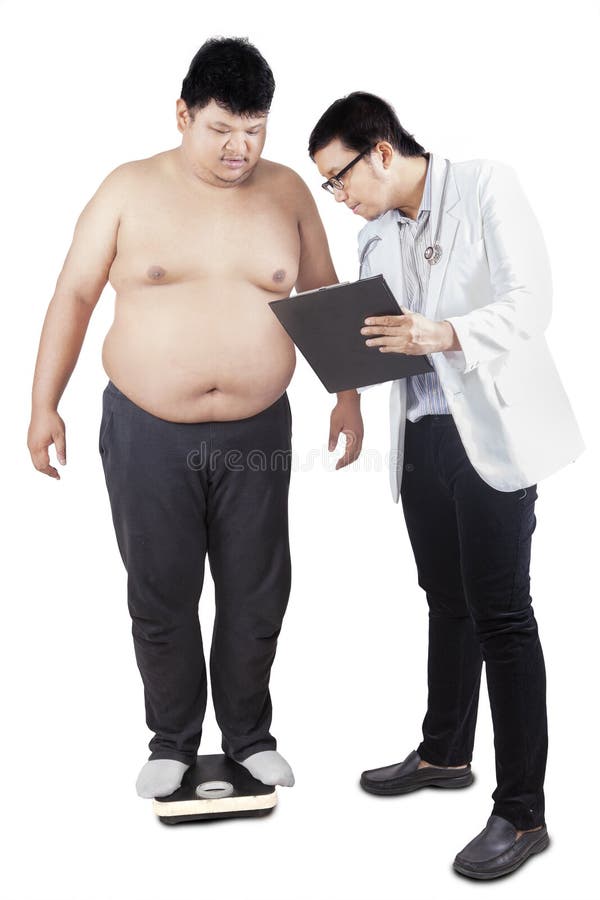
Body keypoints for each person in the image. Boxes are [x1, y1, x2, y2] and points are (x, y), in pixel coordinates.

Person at [26, 38, 363, 801]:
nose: (240, 148)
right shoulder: (127, 189)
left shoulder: (287, 193)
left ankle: (248, 737)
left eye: (255, 128)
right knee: (161, 589)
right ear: (183, 115)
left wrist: (347, 395)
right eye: (221, 129)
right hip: (148, 432)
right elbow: (73, 295)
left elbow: (322, 293)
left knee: (256, 590)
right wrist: (44, 403)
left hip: (256, 429)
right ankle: (172, 739)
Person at [308, 92, 584, 879]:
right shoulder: (374, 237)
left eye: (340, 178)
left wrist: (447, 332)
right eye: (327, 186)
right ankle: (442, 754)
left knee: (503, 616)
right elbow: (375, 334)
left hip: (492, 434)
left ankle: (522, 813)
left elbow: (533, 304)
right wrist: (350, 397)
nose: (339, 196)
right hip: (423, 436)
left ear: (382, 150)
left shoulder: (488, 186)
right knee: (445, 601)